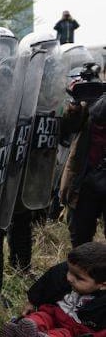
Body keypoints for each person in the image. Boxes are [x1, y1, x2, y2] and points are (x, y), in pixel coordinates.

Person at [1, 241, 106, 337]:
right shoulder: (67, 271)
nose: (69, 278)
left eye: (78, 278)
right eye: (69, 271)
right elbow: (48, 281)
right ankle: (18, 333)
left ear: (103, 284)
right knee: (38, 317)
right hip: (53, 312)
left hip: (74, 330)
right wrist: (32, 301)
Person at [61, 94, 106, 246]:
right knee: (80, 236)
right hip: (85, 178)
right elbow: (69, 127)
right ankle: (82, 269)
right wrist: (75, 104)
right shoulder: (93, 93)